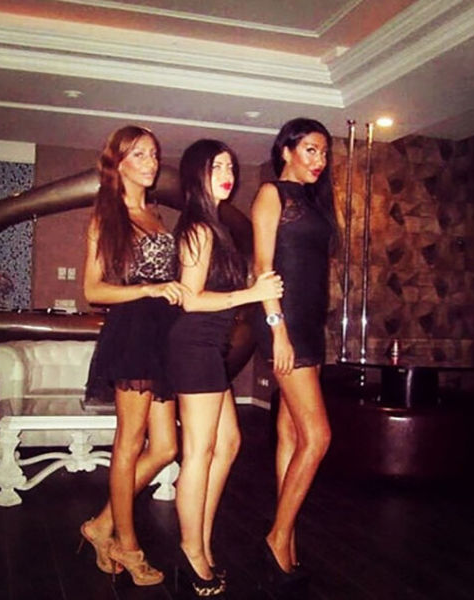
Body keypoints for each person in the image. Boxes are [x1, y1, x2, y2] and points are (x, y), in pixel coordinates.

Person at [166, 139, 284, 597]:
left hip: (210, 347)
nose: (227, 174)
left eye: (230, 166)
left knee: (229, 443)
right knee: (198, 451)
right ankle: (190, 551)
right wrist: (251, 294)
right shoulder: (198, 228)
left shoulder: (217, 227)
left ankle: (201, 539)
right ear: (197, 173)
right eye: (216, 167)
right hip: (194, 345)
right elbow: (190, 299)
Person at [77, 125, 189, 586]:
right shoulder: (108, 216)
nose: (151, 162)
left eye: (154, 154)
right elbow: (92, 290)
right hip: (133, 332)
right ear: (118, 162)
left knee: (165, 448)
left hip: (162, 335)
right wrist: (148, 289)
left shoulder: (156, 214)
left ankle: (101, 525)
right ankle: (128, 544)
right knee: (129, 441)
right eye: (139, 154)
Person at [251, 118, 337, 583]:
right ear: (286, 151)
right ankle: (278, 536)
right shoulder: (272, 194)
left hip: (310, 325)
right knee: (318, 436)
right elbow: (263, 270)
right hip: (283, 325)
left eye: (323, 152)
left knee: (290, 432)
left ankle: (287, 536)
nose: (319, 160)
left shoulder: (315, 201)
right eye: (310, 150)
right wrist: (277, 331)